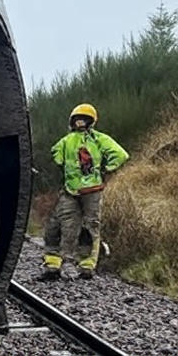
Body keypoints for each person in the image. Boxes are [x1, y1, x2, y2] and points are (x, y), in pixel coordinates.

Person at [42, 103, 129, 279]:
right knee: (65, 225)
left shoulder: (98, 139)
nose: (80, 123)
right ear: (73, 121)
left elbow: (120, 155)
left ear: (91, 121)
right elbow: (56, 154)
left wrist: (106, 168)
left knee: (89, 227)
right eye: (78, 120)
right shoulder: (68, 140)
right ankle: (56, 263)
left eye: (84, 120)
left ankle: (86, 266)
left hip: (90, 190)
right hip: (73, 190)